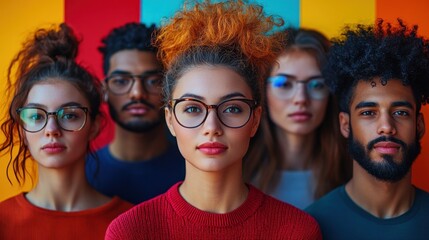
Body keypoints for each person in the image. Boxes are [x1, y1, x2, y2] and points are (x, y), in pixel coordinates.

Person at [105, 1, 322, 239]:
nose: (212, 127)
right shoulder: (130, 231)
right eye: (192, 109)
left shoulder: (296, 230)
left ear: (255, 119)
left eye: (231, 109)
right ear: (170, 119)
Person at [0, 23, 133, 239]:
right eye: (36, 116)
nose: (52, 130)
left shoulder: (129, 222)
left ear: (94, 126)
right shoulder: (3, 222)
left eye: (69, 115)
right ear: (22, 129)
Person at [305, 19, 429, 239]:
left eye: (401, 112)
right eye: (368, 113)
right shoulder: (312, 227)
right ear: (345, 124)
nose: (386, 127)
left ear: (419, 125)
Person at [244, 28, 351, 209]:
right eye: (284, 84)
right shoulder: (237, 172)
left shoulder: (353, 176)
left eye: (317, 84)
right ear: (263, 90)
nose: (301, 99)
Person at [85, 22, 185, 204]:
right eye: (121, 81)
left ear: (170, 90)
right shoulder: (82, 174)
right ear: (103, 91)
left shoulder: (196, 171)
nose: (137, 93)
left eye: (153, 80)